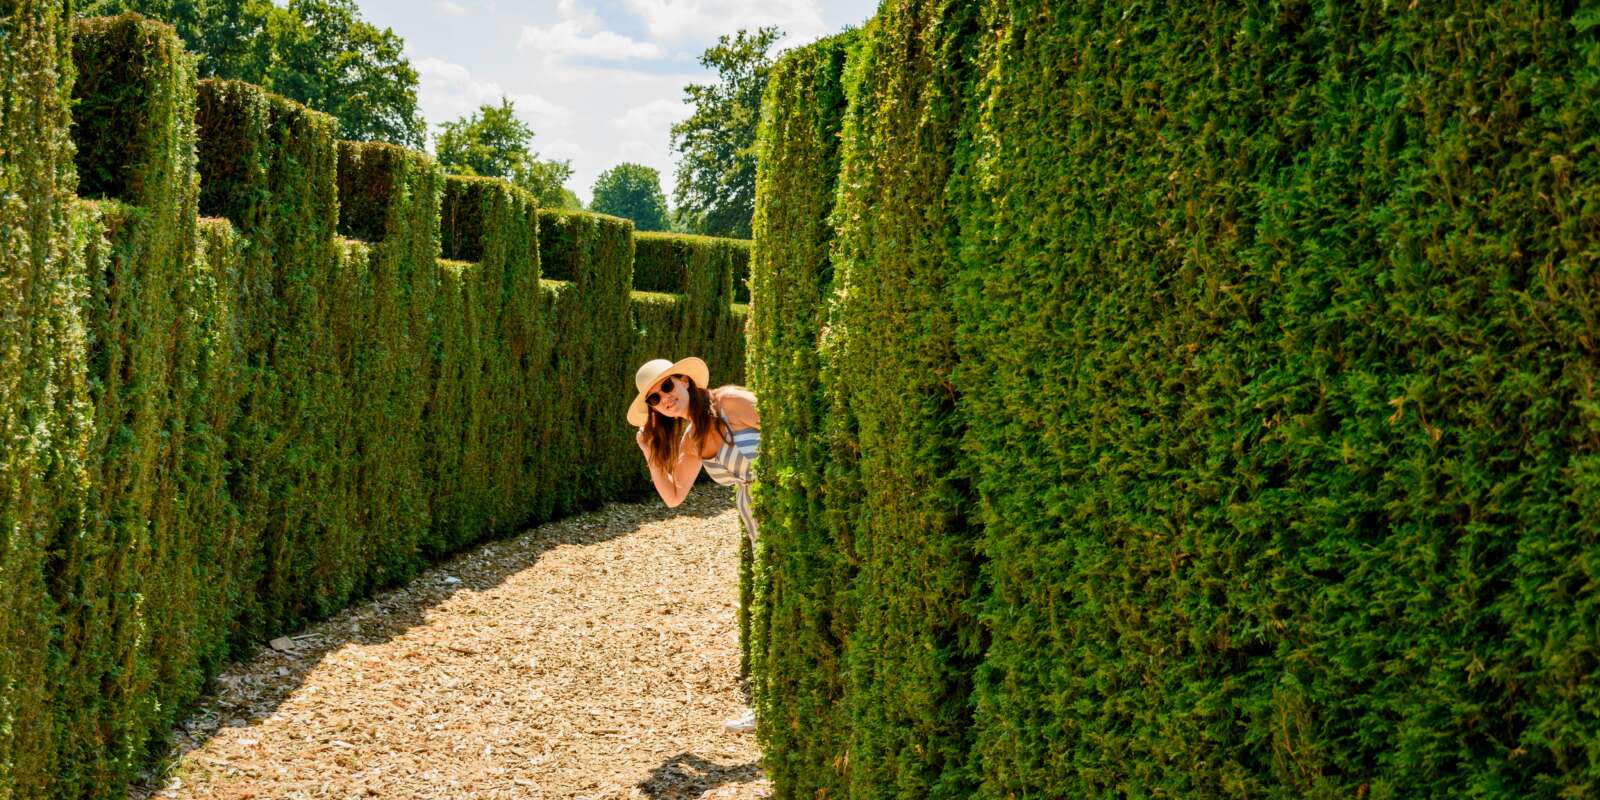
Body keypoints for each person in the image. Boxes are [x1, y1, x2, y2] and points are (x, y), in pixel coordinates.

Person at [628, 356, 760, 733]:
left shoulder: (731, 402)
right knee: (776, 607)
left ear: (685, 380)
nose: (664, 400)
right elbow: (673, 496)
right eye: (654, 399)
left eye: (667, 387)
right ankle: (769, 704)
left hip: (792, 503)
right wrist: (651, 456)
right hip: (757, 516)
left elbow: (794, 430)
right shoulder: (690, 441)